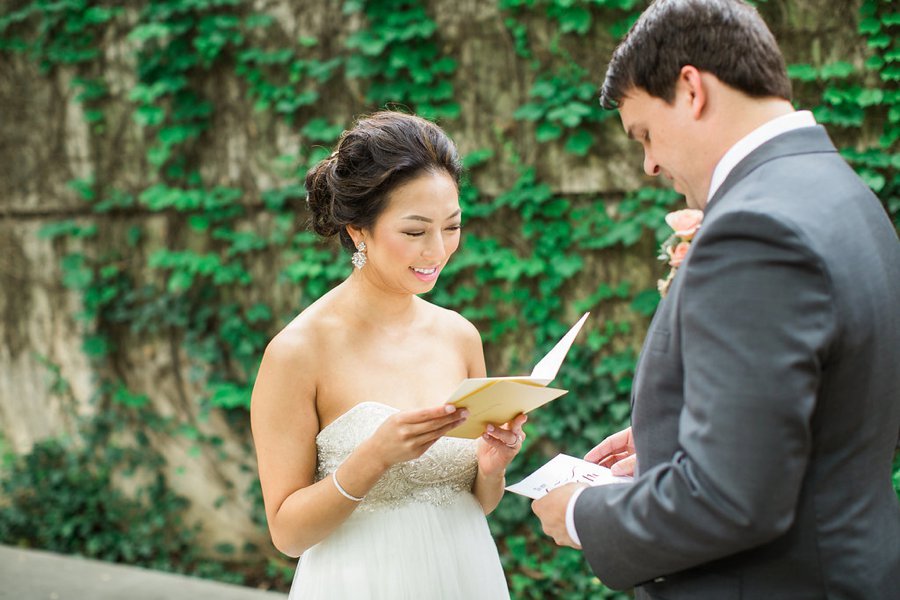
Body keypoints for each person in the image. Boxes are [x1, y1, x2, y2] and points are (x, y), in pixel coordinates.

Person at [531, 1, 900, 598]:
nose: (648, 163)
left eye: (646, 133)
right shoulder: (846, 194)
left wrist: (582, 512)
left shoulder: (756, 229)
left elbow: (731, 499)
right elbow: (840, 407)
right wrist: (679, 429)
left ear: (691, 88)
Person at [251, 111, 524, 599]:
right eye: (415, 232)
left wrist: (491, 466)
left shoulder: (460, 336)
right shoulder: (297, 353)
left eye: (452, 226)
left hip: (466, 576)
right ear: (358, 230)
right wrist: (373, 457)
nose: (437, 251)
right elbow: (287, 534)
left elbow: (476, 504)